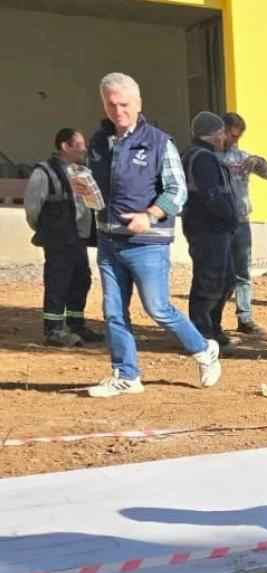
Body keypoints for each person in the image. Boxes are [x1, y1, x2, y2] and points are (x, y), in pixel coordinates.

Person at [86, 72, 221, 398]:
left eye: (124, 104)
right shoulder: (98, 143)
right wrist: (85, 192)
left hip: (147, 244)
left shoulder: (160, 142)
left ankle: (204, 350)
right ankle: (126, 375)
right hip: (108, 239)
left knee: (158, 308)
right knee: (114, 311)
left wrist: (150, 215)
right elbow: (96, 187)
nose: (118, 111)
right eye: (111, 104)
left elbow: (177, 192)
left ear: (138, 103)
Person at [24, 127, 102, 347]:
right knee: (58, 281)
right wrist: (46, 229)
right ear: (64, 146)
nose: (84, 149)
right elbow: (32, 208)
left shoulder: (82, 171)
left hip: (79, 237)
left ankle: (76, 324)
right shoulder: (44, 172)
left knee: (81, 279)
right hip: (58, 238)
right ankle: (54, 330)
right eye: (79, 145)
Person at [180, 112, 240, 349]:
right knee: (210, 281)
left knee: (225, 280)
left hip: (209, 227)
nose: (226, 137)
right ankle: (201, 334)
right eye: (224, 133)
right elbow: (212, 195)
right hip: (208, 228)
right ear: (216, 133)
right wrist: (229, 216)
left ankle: (213, 328)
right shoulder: (202, 158)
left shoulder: (197, 154)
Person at [218, 112, 267, 335]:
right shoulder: (209, 157)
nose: (235, 141)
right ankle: (211, 319)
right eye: (232, 135)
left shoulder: (242, 157)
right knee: (218, 274)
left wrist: (258, 161)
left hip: (241, 222)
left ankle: (245, 317)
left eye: (238, 137)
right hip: (217, 224)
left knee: (242, 272)